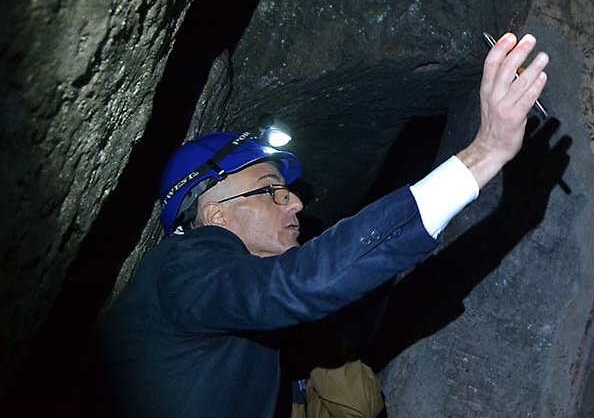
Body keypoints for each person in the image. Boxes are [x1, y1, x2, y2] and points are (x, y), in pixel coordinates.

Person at [96, 33, 549, 418]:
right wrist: (485, 151)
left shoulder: (227, 317)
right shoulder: (182, 266)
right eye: (270, 189)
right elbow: (303, 282)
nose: (294, 200)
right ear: (216, 216)